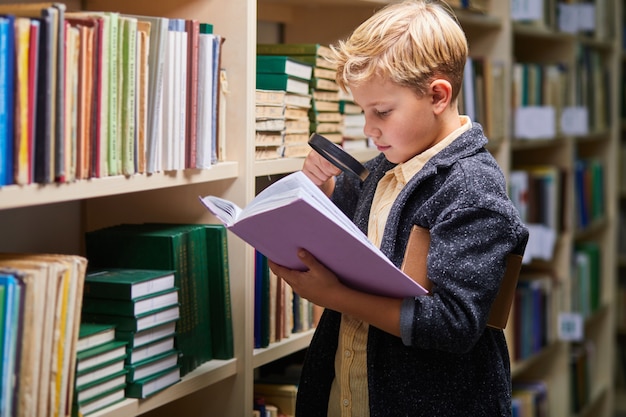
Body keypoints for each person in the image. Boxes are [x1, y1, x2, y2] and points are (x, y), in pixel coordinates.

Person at [268, 1, 529, 416]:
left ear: (438, 95)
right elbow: (346, 236)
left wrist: (333, 296)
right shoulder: (380, 170)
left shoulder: (472, 188)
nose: (369, 128)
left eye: (382, 112)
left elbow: (452, 324)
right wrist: (318, 189)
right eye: (363, 112)